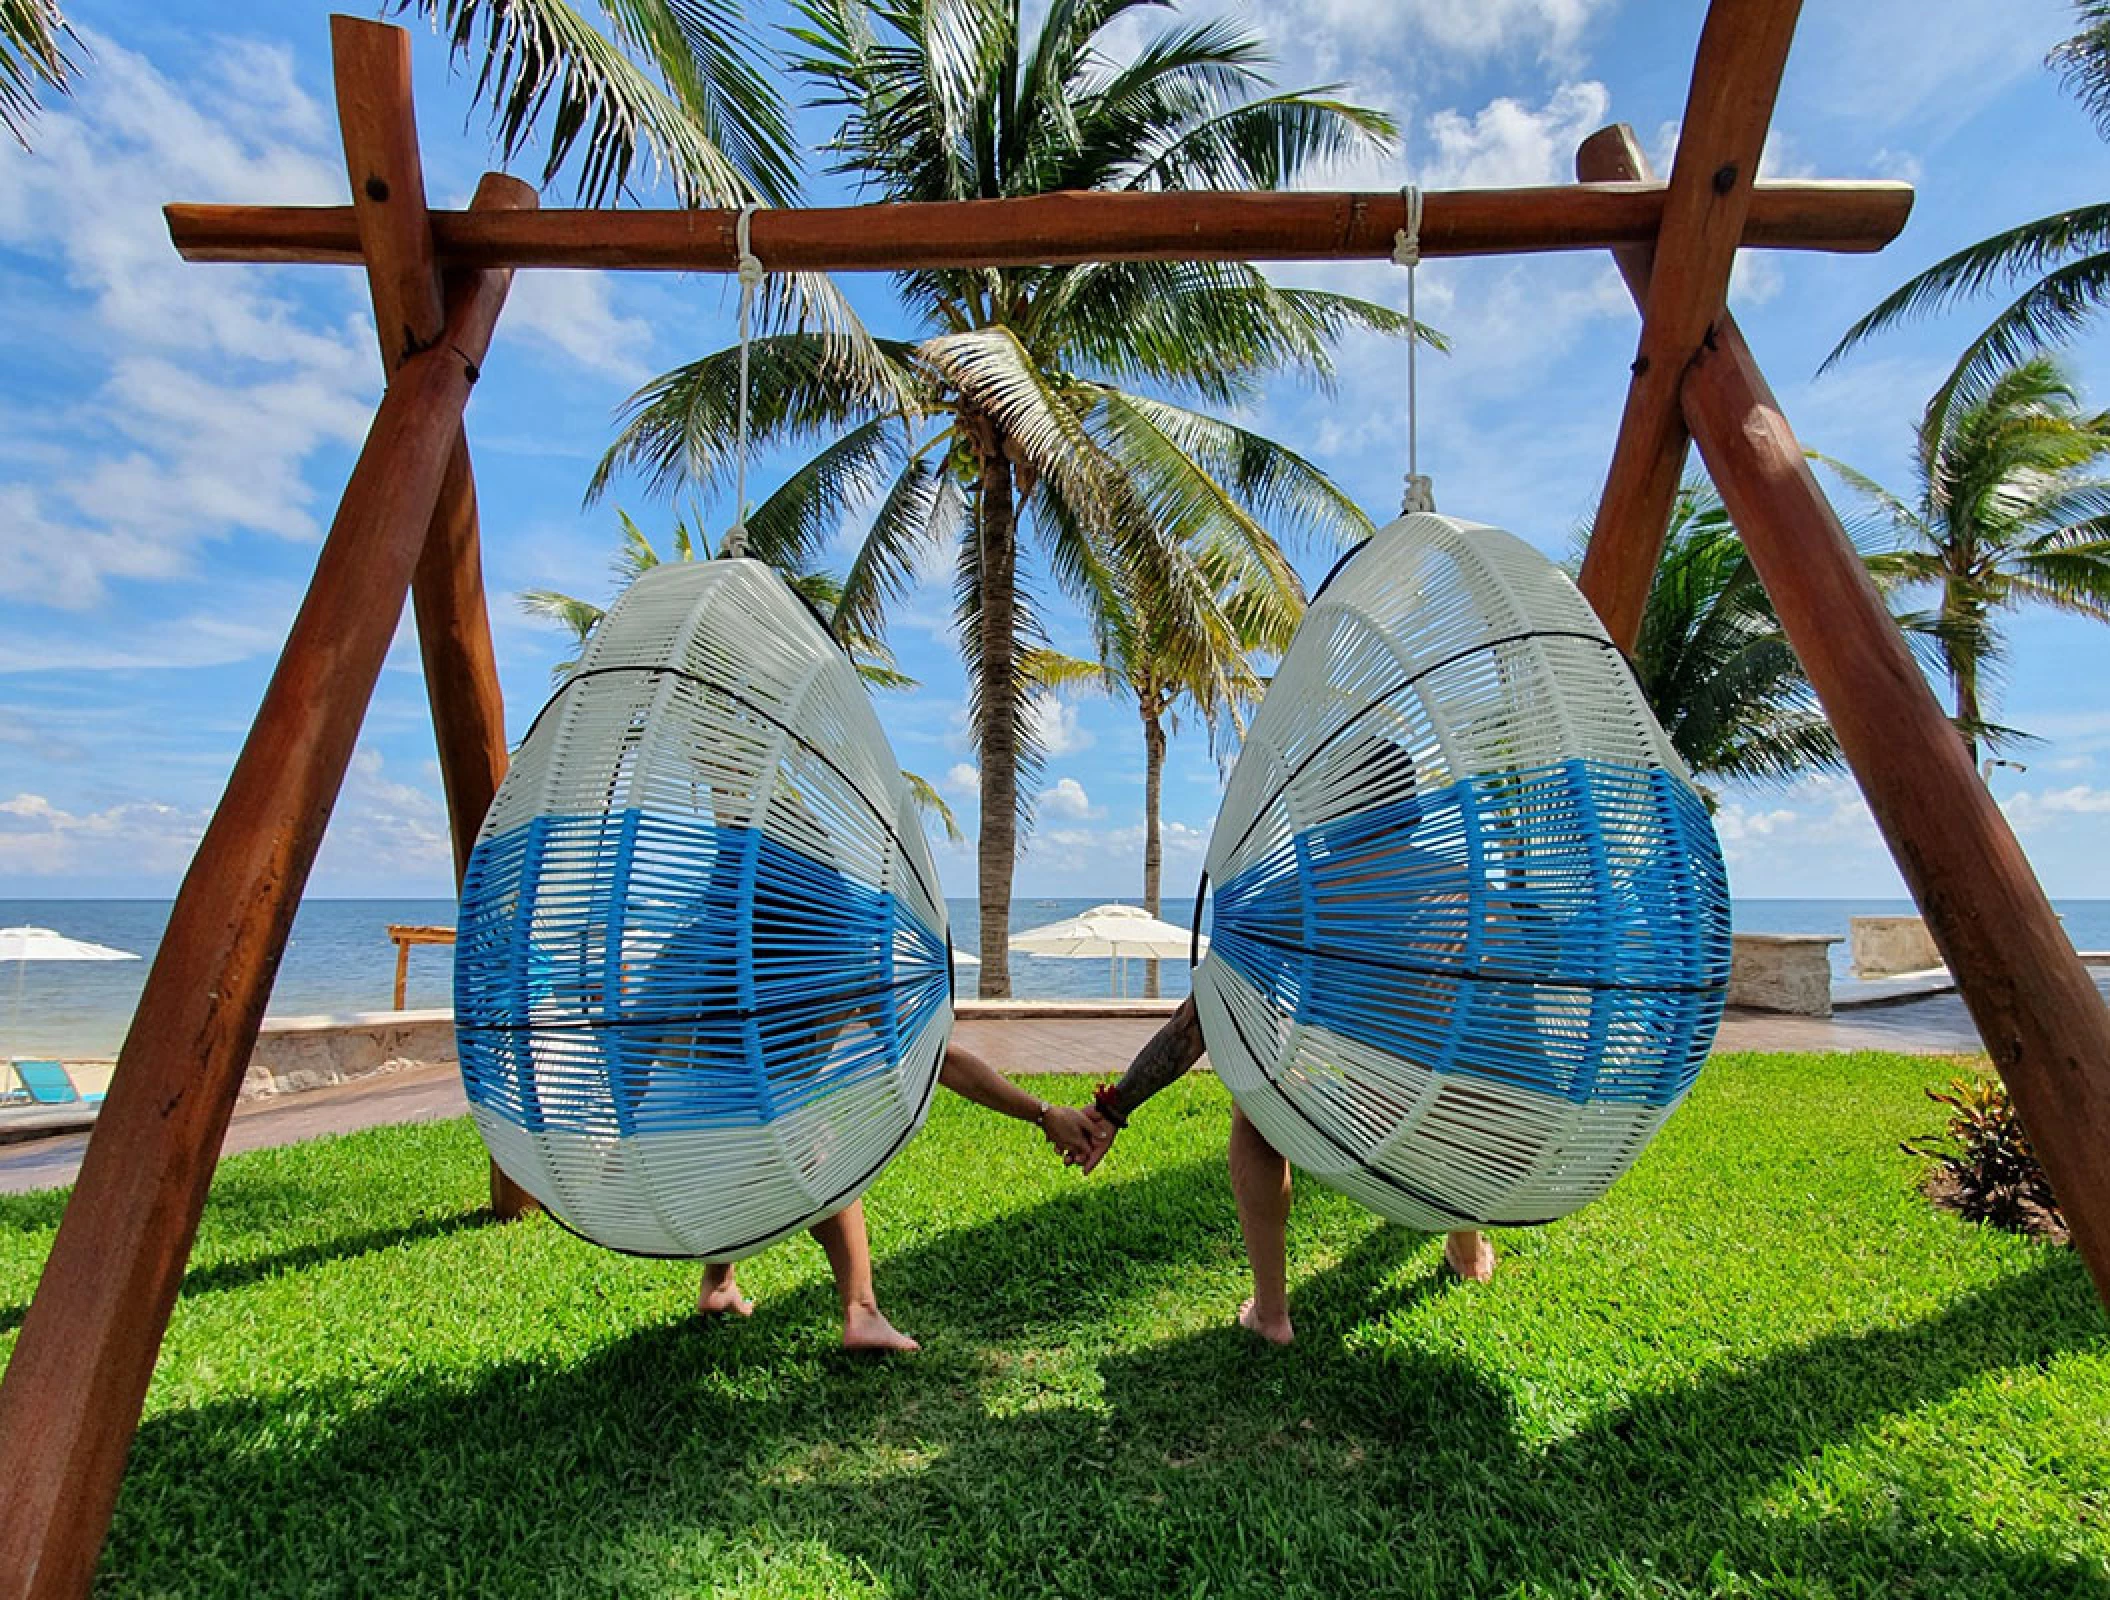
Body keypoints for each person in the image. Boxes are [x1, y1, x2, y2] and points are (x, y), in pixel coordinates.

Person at [1080, 997, 1494, 1346]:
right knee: (1448, 1084)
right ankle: (1468, 1252)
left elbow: (1197, 1022)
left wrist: (1114, 1109)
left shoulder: (1292, 901)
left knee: (1258, 1096)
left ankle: (1271, 1315)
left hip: (1362, 1121)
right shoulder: (1468, 903)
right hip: (1466, 1122)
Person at [698, 1039, 1103, 1350]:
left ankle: (718, 1281)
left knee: (744, 1112)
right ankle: (862, 1313)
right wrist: (1042, 1112)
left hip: (677, 1153)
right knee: (816, 1152)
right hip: (758, 1146)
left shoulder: (694, 948)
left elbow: (640, 1053)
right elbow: (940, 1059)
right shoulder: (842, 961)